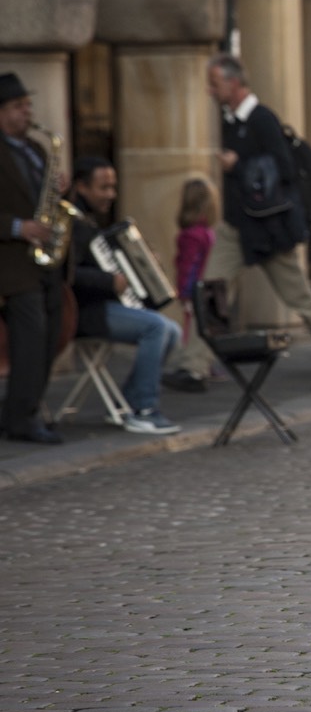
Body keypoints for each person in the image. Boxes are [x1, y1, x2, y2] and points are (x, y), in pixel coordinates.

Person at [163, 53, 311, 393]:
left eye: (215, 84)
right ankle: (194, 368)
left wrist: (239, 164)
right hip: (237, 228)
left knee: (301, 298)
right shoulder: (230, 120)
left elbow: (282, 169)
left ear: (234, 84)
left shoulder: (262, 119)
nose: (210, 91)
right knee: (212, 294)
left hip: (270, 231)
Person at [68, 157, 182, 434]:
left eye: (113, 188)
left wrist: (141, 265)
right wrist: (109, 281)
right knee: (155, 327)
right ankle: (144, 409)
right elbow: (67, 275)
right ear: (82, 187)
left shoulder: (90, 222)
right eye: (103, 188)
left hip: (101, 306)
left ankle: (130, 400)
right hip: (80, 311)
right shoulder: (70, 222)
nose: (111, 195)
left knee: (173, 330)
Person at [0, 72, 66, 445]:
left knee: (49, 338)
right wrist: (16, 227)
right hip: (10, 263)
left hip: (43, 262)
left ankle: (20, 410)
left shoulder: (37, 151)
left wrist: (58, 190)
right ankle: (23, 419)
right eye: (18, 107)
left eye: (28, 106)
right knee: (28, 339)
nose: (27, 113)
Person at [174, 176, 218, 344]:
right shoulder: (200, 233)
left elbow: (188, 266)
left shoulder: (195, 233)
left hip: (198, 289)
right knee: (198, 328)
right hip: (201, 290)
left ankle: (195, 362)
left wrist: (185, 291)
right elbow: (189, 265)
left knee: (197, 328)